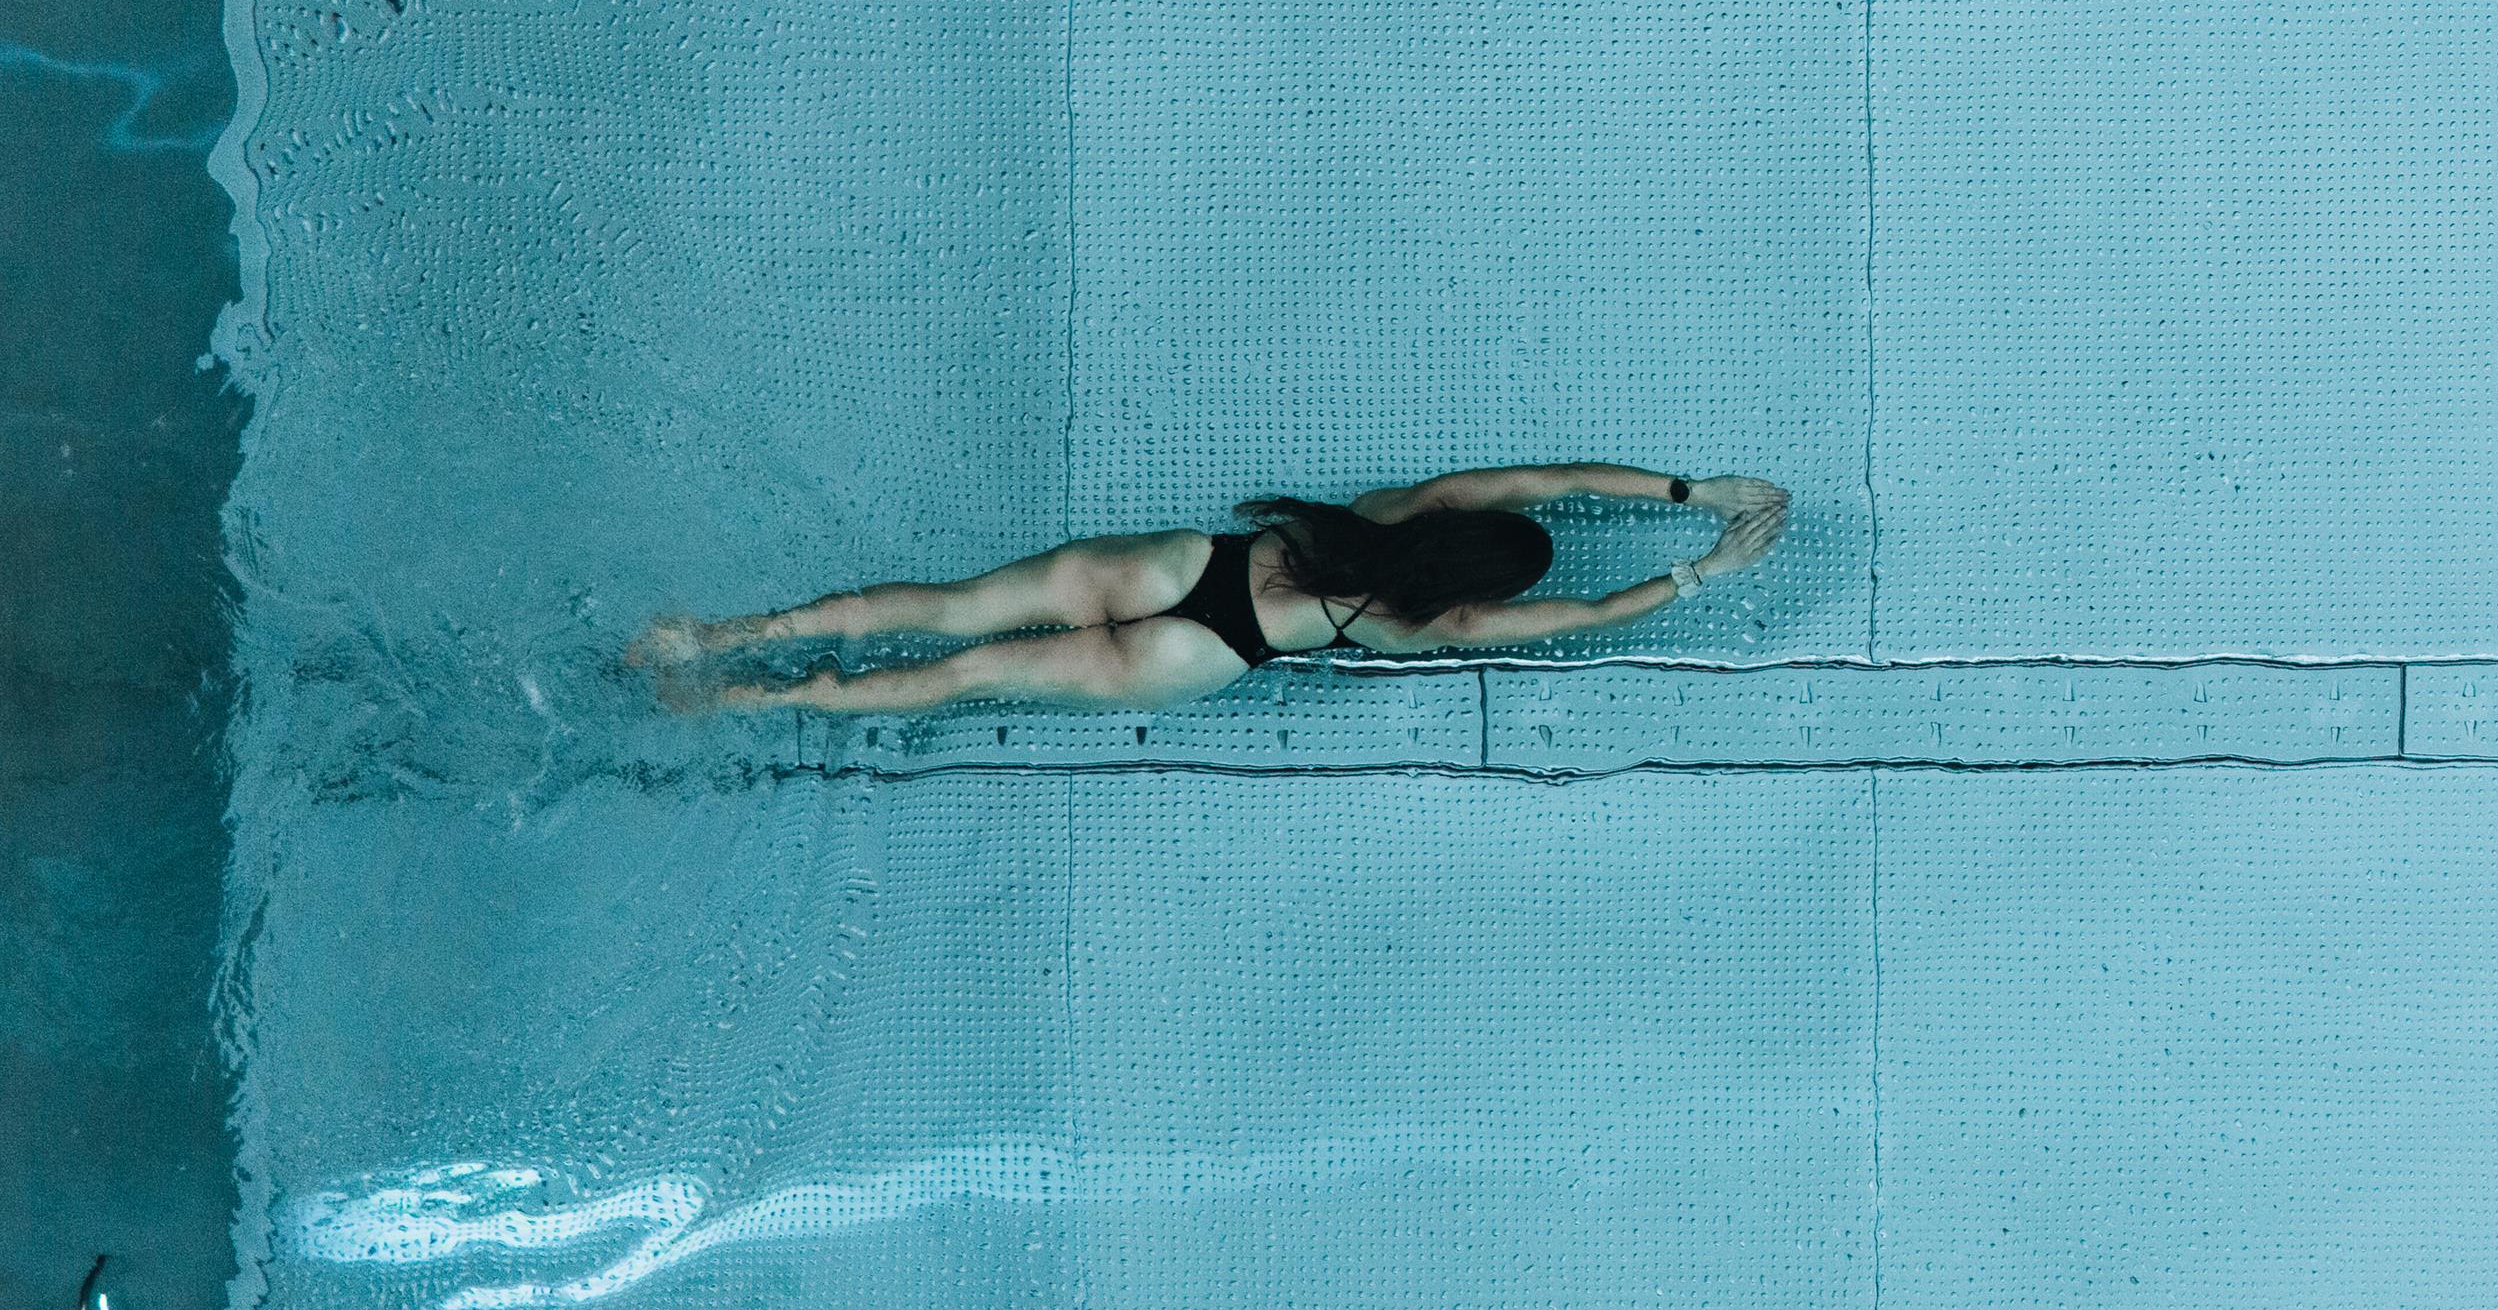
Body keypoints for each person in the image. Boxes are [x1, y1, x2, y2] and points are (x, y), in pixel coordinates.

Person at [630, 467, 1788, 713]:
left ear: (1464, 528)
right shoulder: (1437, 622)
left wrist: (1692, 491)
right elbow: (1585, 617)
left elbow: (1549, 478)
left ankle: (719, 635)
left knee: (944, 608)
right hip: (1201, 653)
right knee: (964, 678)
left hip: (1185, 566)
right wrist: (1701, 572)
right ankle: (745, 701)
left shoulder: (1407, 509)